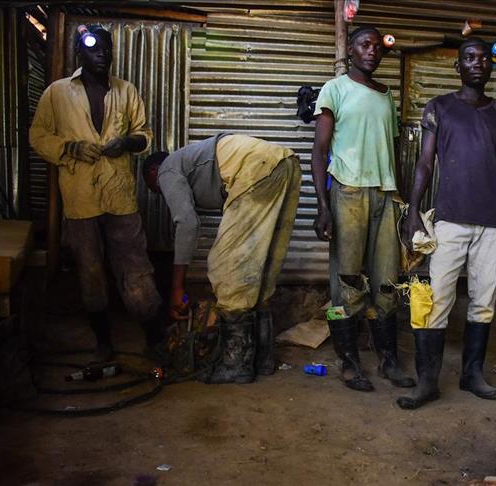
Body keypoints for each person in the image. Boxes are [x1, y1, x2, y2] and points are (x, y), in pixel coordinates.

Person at [397, 38, 496, 410]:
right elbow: (424, 164)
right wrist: (414, 211)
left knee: (483, 302)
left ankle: (472, 375)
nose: (477, 63)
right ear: (459, 67)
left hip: (490, 222)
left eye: (483, 58)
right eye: (469, 58)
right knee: (437, 301)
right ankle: (427, 382)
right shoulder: (440, 108)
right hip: (450, 220)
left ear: (490, 67)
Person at [30, 25, 162, 362]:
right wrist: (70, 147)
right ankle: (103, 343)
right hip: (80, 200)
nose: (101, 54)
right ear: (79, 53)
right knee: (90, 271)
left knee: (135, 266)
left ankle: (155, 338)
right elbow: (38, 136)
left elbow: (145, 134)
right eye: (93, 49)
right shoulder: (57, 93)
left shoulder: (126, 91)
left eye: (106, 49)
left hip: (120, 198)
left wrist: (127, 143)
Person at [143, 134, 301, 384]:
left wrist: (177, 289)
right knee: (261, 265)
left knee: (225, 266)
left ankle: (236, 363)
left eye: (156, 189)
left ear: (154, 172)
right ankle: (262, 359)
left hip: (258, 168)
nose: (162, 194)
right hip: (286, 164)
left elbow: (187, 223)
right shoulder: (200, 167)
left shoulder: (168, 168)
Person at [311, 26, 414, 392]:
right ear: (350, 51)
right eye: (364, 45)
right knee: (347, 280)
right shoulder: (334, 89)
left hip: (385, 196)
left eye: (376, 46)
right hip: (349, 193)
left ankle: (388, 360)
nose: (372, 51)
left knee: (387, 281)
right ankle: (349, 361)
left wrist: (404, 202)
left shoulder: (386, 97)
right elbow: (319, 150)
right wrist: (323, 206)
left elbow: (394, 152)